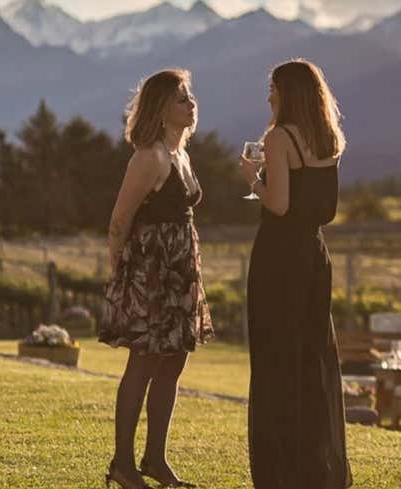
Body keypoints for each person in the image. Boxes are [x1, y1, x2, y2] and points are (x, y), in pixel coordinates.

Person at [239, 58, 353, 489]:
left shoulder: (278, 138)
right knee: (313, 357)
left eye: (273, 87)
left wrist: (253, 178)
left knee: (275, 358)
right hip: (314, 256)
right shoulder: (329, 139)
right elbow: (322, 207)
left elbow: (280, 205)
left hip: (279, 258)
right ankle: (316, 468)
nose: (269, 94)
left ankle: (280, 471)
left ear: (288, 92)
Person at [100, 68, 214, 489]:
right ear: (161, 108)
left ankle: (155, 459)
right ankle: (123, 464)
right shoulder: (148, 156)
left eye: (190, 97)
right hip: (151, 272)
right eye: (182, 98)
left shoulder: (180, 153)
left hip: (179, 270)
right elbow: (119, 220)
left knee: (173, 363)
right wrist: (121, 275)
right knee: (144, 363)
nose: (191, 104)